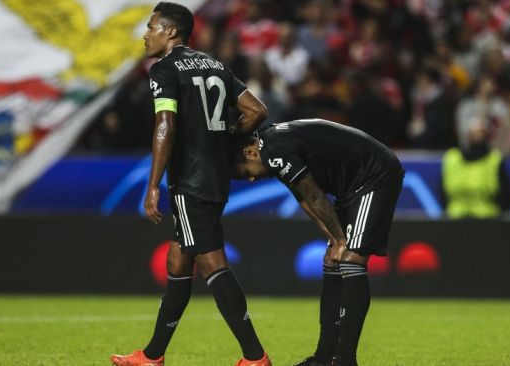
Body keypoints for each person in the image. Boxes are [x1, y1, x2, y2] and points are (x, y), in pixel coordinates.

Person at [110, 3, 272, 366]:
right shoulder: (214, 64)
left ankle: (255, 357)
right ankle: (152, 356)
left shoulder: (164, 70)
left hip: (191, 179)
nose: (145, 34)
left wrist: (153, 184)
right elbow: (257, 110)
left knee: (212, 264)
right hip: (215, 175)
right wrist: (225, 139)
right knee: (178, 261)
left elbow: (164, 124)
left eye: (151, 27)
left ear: (170, 32)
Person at [231, 119, 404, 366]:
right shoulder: (270, 145)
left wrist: (342, 240)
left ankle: (345, 359)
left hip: (374, 174)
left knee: (351, 259)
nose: (250, 179)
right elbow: (303, 198)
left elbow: (314, 195)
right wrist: (334, 240)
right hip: (352, 185)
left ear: (250, 152)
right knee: (332, 259)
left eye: (246, 172)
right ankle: (324, 358)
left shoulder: (276, 150)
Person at [441, 117, 510, 219]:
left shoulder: (494, 160)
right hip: (456, 220)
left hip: (488, 220)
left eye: (481, 133)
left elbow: (507, 196)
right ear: (467, 135)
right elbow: (442, 192)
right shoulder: (452, 159)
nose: (477, 136)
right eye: (474, 133)